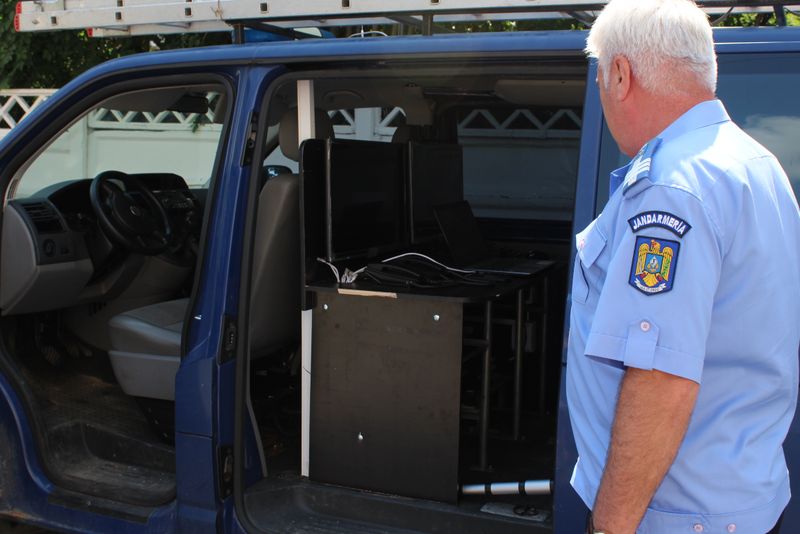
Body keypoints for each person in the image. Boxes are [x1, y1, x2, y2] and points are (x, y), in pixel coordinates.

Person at [566, 1, 800, 533]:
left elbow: (661, 379)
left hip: (672, 515)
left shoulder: (671, 188)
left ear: (620, 74)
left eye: (601, 79)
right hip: (739, 500)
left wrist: (610, 526)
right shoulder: (758, 165)